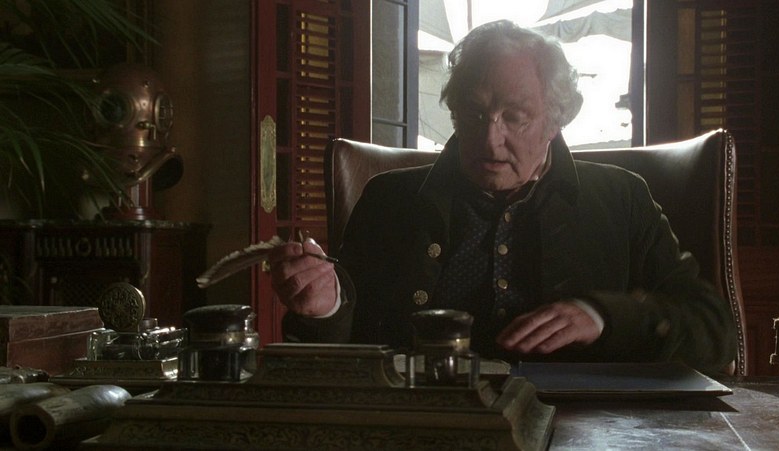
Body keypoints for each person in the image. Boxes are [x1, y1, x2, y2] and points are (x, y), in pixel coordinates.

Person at [270, 20, 737, 374]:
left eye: (515, 117)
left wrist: (604, 317)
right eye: (474, 115)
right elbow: (339, 351)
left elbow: (715, 333)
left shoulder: (622, 199)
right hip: (425, 425)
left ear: (555, 120)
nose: (490, 141)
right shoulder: (389, 201)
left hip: (581, 429)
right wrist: (325, 307)